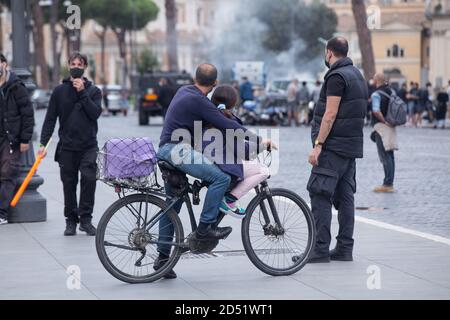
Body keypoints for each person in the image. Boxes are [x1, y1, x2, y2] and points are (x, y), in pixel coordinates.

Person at [156, 64, 274, 279]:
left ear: (194, 77)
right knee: (220, 177)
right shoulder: (200, 101)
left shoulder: (184, 91)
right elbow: (229, 126)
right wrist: (259, 139)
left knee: (172, 203)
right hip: (177, 150)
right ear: (214, 83)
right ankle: (205, 229)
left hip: (166, 149)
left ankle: (163, 259)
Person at [294, 37, 367, 264]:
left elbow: (331, 114)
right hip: (350, 147)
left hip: (333, 147)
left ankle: (319, 249)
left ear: (329, 53)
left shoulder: (336, 76)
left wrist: (318, 145)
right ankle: (345, 249)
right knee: (346, 198)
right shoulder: (357, 75)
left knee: (320, 193)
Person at [39, 52, 102, 236]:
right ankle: (71, 221)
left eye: (80, 64)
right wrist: (43, 143)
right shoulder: (59, 92)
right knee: (69, 184)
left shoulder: (94, 91)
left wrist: (82, 92)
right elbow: (50, 118)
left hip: (89, 146)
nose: (76, 66)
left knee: (89, 180)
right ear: (68, 66)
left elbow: (95, 113)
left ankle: (86, 219)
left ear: (84, 68)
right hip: (67, 147)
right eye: (73, 63)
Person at [207, 85, 271, 219]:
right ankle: (229, 199)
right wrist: (262, 145)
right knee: (263, 170)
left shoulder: (211, 115)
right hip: (221, 164)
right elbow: (241, 149)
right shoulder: (228, 120)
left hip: (209, 161)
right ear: (233, 103)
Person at [0, 53, 35, 225]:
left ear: (4, 64)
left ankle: (2, 213)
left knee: (8, 172)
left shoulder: (16, 87)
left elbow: (28, 114)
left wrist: (25, 139)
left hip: (11, 139)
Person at [371, 74, 398, 193]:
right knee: (390, 155)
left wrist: (384, 121)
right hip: (392, 125)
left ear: (376, 81)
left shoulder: (376, 94)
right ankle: (390, 181)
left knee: (384, 155)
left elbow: (376, 111)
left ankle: (387, 184)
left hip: (381, 126)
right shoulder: (391, 92)